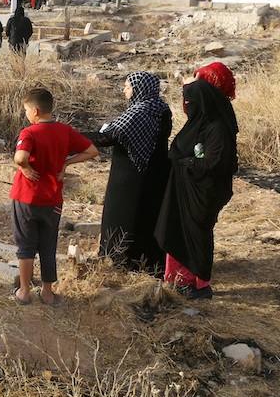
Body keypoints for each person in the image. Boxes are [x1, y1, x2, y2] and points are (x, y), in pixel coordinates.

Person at [10, 87, 99, 306]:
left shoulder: (29, 133)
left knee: (26, 245)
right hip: (53, 199)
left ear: (36, 111)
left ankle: (23, 292)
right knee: (48, 245)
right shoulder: (65, 131)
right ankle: (47, 293)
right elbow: (92, 151)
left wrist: (23, 167)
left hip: (27, 198)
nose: (26, 114)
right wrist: (66, 162)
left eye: (27, 110)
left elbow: (20, 156)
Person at [154, 76, 238, 300]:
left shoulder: (218, 129)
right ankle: (181, 280)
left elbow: (214, 163)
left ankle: (200, 285)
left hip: (203, 192)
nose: (187, 107)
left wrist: (187, 162)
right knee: (179, 232)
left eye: (191, 103)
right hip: (185, 189)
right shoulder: (198, 125)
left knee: (197, 234)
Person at [84, 72, 172, 273]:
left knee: (123, 217)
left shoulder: (139, 112)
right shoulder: (160, 107)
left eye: (128, 86)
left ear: (139, 88)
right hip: (155, 173)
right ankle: (148, 262)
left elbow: (109, 137)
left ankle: (121, 261)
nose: (124, 90)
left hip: (131, 177)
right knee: (147, 216)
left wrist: (72, 137)